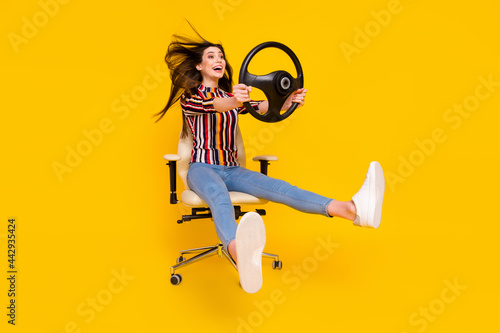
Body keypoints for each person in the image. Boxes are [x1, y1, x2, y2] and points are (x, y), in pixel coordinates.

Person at [156, 27, 385, 293]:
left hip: (232, 169)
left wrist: (288, 100)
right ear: (199, 65)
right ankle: (238, 252)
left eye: (221, 56)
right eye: (211, 56)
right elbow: (217, 106)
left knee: (281, 188)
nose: (219, 60)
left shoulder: (232, 98)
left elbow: (264, 108)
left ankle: (351, 209)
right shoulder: (192, 98)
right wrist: (235, 99)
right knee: (219, 197)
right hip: (202, 168)